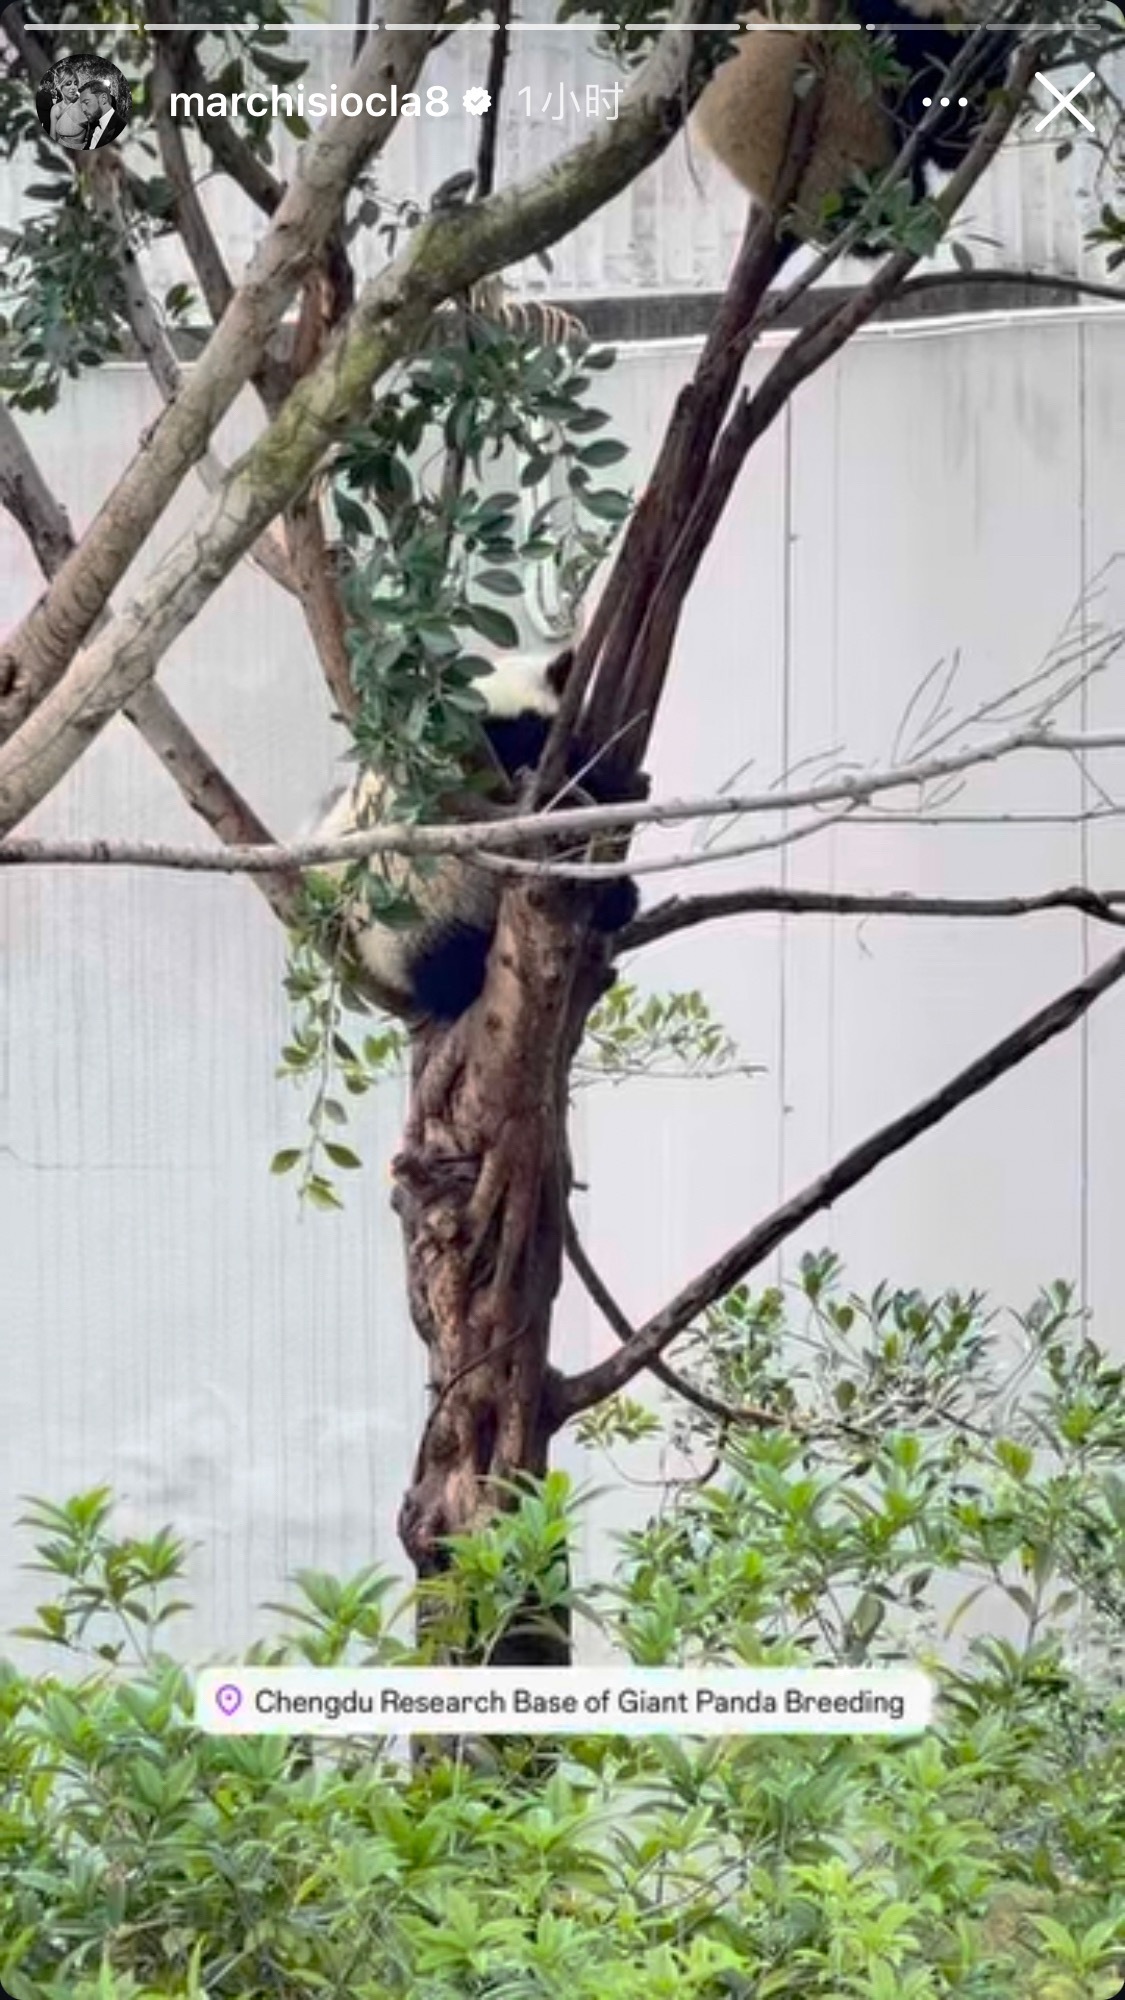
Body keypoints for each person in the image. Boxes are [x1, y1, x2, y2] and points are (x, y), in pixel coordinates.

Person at [79, 75, 127, 150]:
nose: (83, 109)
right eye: (81, 105)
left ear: (103, 99)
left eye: (86, 102)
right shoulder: (93, 124)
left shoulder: (122, 129)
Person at [49, 68, 90, 150]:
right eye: (68, 83)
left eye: (75, 83)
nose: (73, 87)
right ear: (59, 85)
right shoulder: (56, 109)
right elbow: (52, 137)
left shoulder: (84, 105)